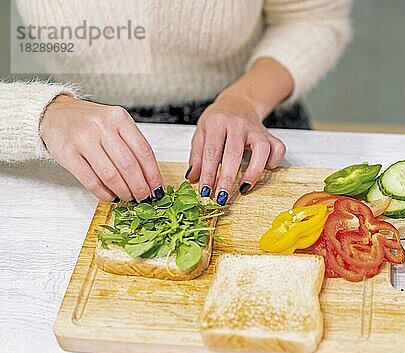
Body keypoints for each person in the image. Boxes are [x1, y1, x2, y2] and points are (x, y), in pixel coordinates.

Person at [0, 0, 351, 205]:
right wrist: (43, 114)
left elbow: (311, 16)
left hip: (249, 116)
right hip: (75, 131)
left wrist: (245, 98)